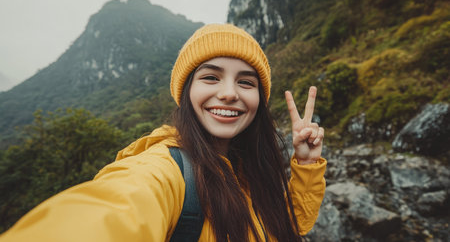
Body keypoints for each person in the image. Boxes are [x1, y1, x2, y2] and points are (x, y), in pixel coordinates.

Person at [0, 24, 326, 241]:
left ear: (259, 100)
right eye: (210, 78)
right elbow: (110, 213)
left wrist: (307, 165)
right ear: (185, 93)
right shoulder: (163, 171)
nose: (229, 93)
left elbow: (288, 225)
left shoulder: (247, 172)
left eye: (245, 82)